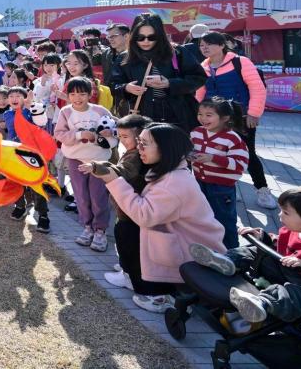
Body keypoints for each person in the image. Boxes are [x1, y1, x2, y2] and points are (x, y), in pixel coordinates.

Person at [91, 123, 226, 312]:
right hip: (184, 242)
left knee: (128, 229)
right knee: (126, 229)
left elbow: (144, 215)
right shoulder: (171, 172)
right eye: (139, 142)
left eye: (145, 144)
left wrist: (113, 180)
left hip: (190, 250)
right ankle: (146, 283)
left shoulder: (174, 183)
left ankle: (162, 296)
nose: (139, 148)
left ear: (164, 149)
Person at [190, 187, 301, 324]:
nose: (280, 215)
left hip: (297, 283)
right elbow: (276, 242)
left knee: (299, 294)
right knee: (253, 250)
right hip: (279, 270)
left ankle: (262, 303)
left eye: (286, 213)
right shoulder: (290, 231)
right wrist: (260, 236)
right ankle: (226, 260)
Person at [195, 31, 275, 210]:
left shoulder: (240, 62)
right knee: (220, 153)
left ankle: (262, 190)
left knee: (248, 154)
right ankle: (229, 185)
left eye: (209, 44)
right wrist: (199, 116)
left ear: (222, 45)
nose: (204, 48)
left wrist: (254, 113)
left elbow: (257, 88)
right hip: (214, 120)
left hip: (242, 118)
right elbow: (199, 94)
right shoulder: (202, 67)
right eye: (201, 45)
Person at [82, 114, 151, 290]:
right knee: (128, 242)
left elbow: (122, 171)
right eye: (119, 136)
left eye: (126, 137)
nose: (122, 141)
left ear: (141, 136)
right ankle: (126, 267)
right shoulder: (137, 152)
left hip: (130, 208)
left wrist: (97, 167)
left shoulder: (135, 155)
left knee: (127, 241)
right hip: (128, 207)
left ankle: (128, 276)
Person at [110, 13, 207, 132]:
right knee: (147, 149)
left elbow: (199, 77)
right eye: (140, 37)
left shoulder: (177, 52)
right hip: (143, 116)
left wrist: (170, 83)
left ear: (160, 35)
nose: (146, 41)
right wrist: (126, 88)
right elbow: (113, 84)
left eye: (151, 37)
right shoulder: (125, 58)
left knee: (178, 149)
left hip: (177, 115)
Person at [54, 77, 117, 252]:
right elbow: (59, 133)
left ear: (90, 94)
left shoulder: (100, 110)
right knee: (81, 195)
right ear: (67, 95)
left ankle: (100, 230)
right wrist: (79, 135)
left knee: (98, 196)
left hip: (98, 160)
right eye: (72, 94)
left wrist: (106, 134)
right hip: (75, 159)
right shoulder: (65, 112)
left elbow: (115, 129)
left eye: (82, 93)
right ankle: (87, 227)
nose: (77, 98)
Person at [191, 97, 249, 249]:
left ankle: (232, 254)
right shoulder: (196, 133)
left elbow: (240, 164)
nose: (203, 118)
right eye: (200, 114)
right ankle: (209, 247)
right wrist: (189, 155)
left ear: (225, 118)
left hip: (221, 188)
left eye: (209, 115)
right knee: (202, 218)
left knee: (224, 221)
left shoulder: (232, 138)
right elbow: (189, 149)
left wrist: (213, 158)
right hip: (199, 183)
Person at [4, 86, 51, 233]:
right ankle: (20, 206)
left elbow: (40, 121)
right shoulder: (7, 114)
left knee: (36, 185)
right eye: (11, 96)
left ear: (25, 99)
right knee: (15, 182)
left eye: (18, 96)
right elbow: (14, 126)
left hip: (32, 154)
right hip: (14, 153)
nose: (14, 99)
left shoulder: (31, 112)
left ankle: (43, 215)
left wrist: (30, 106)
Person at [32, 52, 63, 134]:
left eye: (52, 65)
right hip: (44, 113)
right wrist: (42, 84)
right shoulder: (40, 80)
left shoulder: (61, 79)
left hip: (57, 113)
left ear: (58, 65)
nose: (48, 68)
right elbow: (36, 98)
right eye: (45, 65)